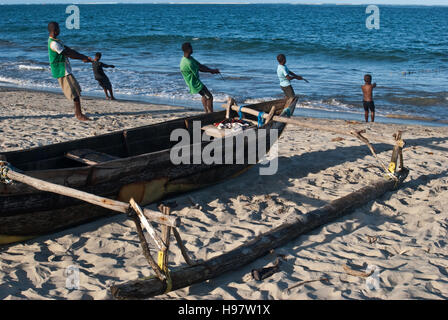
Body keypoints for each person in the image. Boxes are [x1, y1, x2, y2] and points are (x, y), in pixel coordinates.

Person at [47, 21, 92, 121]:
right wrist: (82, 58)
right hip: (62, 70)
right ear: (55, 30)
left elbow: (70, 50)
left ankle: (78, 113)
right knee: (74, 92)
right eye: (58, 28)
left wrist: (84, 57)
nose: (60, 29)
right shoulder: (54, 44)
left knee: (75, 90)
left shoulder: (57, 41)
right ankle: (79, 114)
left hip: (65, 69)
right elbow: (68, 54)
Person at [180, 42, 220, 113]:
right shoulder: (189, 62)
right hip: (194, 83)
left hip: (193, 81)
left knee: (204, 96)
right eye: (191, 47)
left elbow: (200, 65)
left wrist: (212, 70)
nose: (192, 49)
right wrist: (212, 71)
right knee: (209, 97)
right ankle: (210, 114)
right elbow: (201, 69)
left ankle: (206, 112)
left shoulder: (188, 58)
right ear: (188, 49)